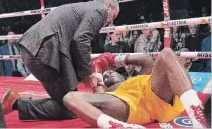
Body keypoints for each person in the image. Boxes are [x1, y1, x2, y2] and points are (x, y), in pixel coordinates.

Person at [2, 0, 119, 121]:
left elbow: (75, 44)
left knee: (73, 101)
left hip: (34, 49)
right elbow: (81, 40)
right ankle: (16, 103)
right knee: (73, 107)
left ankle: (15, 102)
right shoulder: (99, 10)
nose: (110, 22)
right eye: (113, 16)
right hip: (43, 53)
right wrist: (88, 75)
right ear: (108, 6)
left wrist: (86, 73)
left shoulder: (82, 9)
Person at [63, 48, 210, 128]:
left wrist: (114, 60)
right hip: (128, 106)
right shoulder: (111, 93)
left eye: (109, 73)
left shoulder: (143, 75)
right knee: (69, 97)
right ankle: (116, 126)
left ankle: (197, 113)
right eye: (106, 77)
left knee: (167, 53)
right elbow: (96, 100)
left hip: (160, 98)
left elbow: (144, 59)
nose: (108, 76)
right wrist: (98, 81)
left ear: (119, 73)